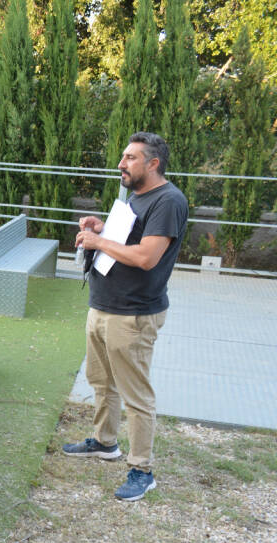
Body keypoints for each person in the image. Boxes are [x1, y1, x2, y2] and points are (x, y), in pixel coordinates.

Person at [64, 132, 188, 502]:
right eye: (123, 156)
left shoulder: (168, 200)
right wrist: (103, 229)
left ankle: (141, 469)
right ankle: (104, 442)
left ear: (153, 163)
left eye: (131, 158)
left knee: (136, 395)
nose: (122, 164)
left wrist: (98, 243)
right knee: (101, 381)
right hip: (104, 304)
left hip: (133, 314)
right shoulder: (137, 196)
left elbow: (147, 256)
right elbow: (131, 238)